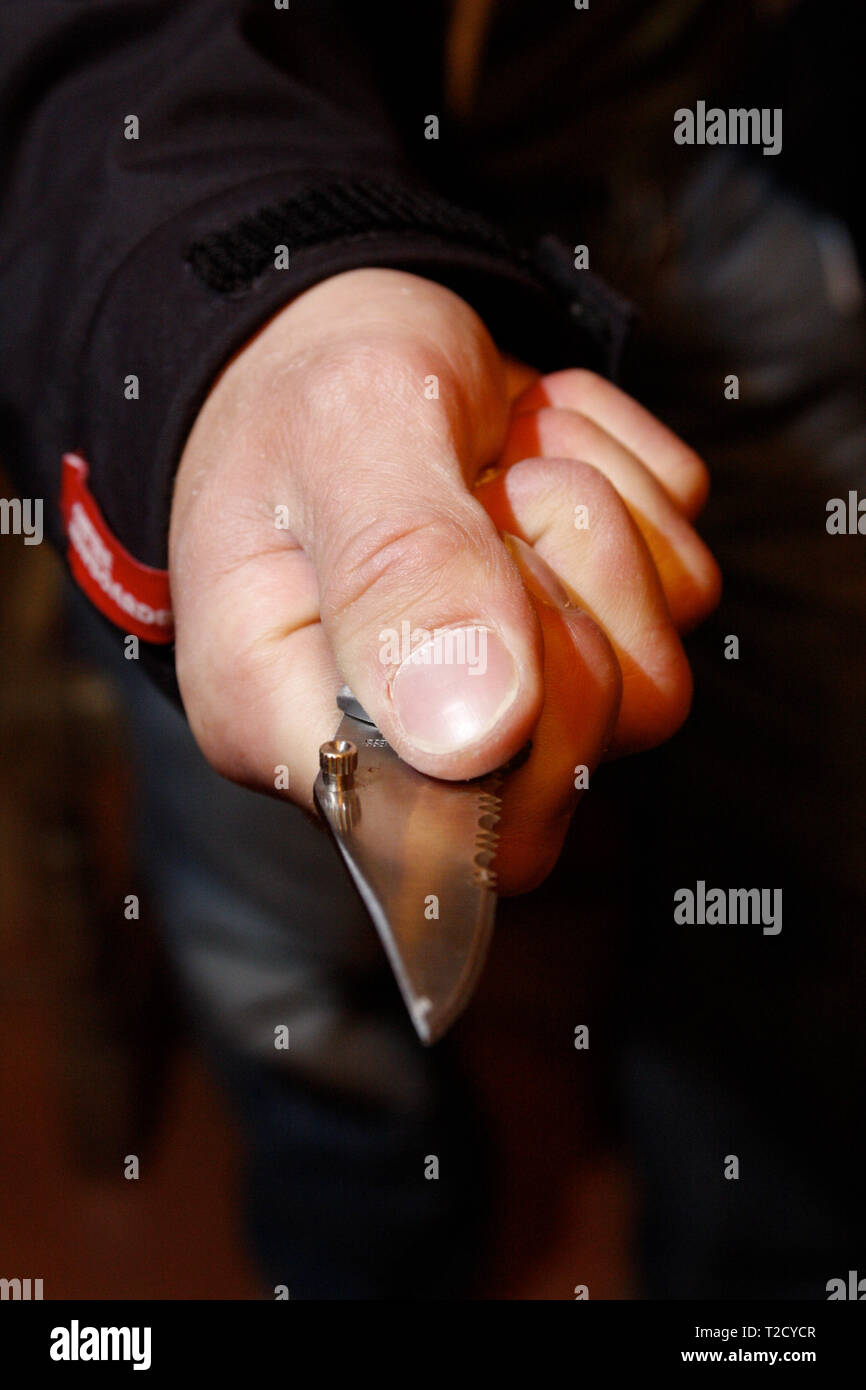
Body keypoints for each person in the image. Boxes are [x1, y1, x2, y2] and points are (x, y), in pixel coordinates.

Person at [2, 1, 862, 1298]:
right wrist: (244, 296)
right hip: (207, 247)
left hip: (711, 150)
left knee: (811, 866)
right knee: (290, 984)